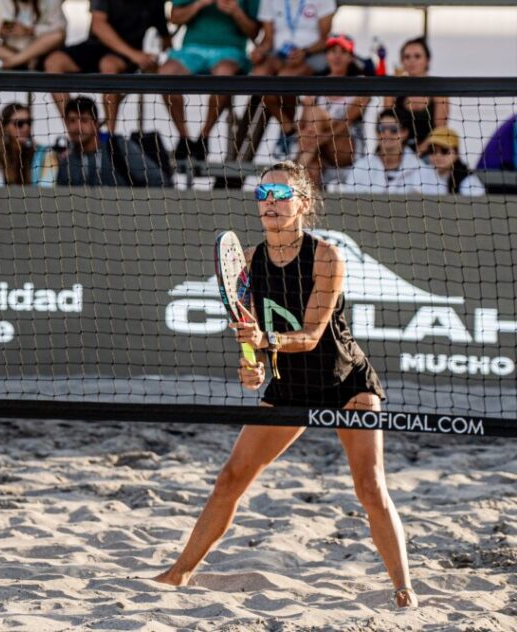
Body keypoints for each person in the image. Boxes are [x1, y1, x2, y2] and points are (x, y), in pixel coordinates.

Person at [153, 160, 417, 609]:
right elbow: (253, 337)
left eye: (280, 195)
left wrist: (265, 341)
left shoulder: (327, 257)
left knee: (370, 487)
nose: (269, 203)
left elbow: (311, 336)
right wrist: (253, 366)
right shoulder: (249, 261)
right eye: (263, 195)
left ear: (303, 202)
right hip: (290, 382)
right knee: (230, 478)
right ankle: (179, 573)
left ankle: (403, 588)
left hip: (345, 381)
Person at [43, 0, 170, 134]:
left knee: (109, 65)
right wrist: (135, 55)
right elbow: (98, 24)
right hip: (95, 47)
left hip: (126, 56)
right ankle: (74, 131)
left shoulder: (153, 3)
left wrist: (154, 60)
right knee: (53, 62)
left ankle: (109, 138)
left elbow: (165, 39)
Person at [159, 0, 261, 162]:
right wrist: (200, 4)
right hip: (191, 50)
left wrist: (235, 11)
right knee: (165, 76)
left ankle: (204, 137)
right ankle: (184, 138)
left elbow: (255, 32)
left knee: (224, 77)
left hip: (230, 51)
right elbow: (174, 18)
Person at [251, 0, 337, 159]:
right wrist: (259, 52)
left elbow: (325, 39)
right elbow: (268, 40)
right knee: (257, 78)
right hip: (279, 53)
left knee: (285, 80)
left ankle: (288, 134)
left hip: (312, 53)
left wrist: (304, 52)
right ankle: (288, 128)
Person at [295, 34, 368, 188]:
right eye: (333, 51)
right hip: (317, 148)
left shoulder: (360, 84)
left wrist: (318, 140)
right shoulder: (316, 84)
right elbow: (302, 125)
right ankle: (308, 201)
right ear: (326, 56)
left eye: (343, 52)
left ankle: (292, 173)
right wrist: (307, 107)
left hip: (344, 147)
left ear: (350, 57)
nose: (337, 56)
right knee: (312, 169)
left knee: (316, 114)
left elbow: (346, 122)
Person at [56, 96, 166, 187]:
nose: (78, 127)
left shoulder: (118, 149)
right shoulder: (67, 162)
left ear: (96, 124)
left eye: (84, 120)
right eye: (72, 121)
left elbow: (158, 180)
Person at [340, 108, 439, 195]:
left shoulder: (422, 170)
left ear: (404, 133)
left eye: (393, 130)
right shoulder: (361, 167)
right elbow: (350, 202)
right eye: (382, 129)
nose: (387, 134)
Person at [381, 38, 448, 157]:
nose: (412, 61)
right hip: (397, 153)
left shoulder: (438, 92)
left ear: (427, 60)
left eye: (417, 56)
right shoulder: (394, 90)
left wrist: (417, 153)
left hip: (429, 154)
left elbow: (439, 130)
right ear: (402, 61)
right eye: (407, 57)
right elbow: (386, 122)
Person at [0, 103, 58, 186]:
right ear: (5, 127)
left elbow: (48, 188)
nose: (26, 127)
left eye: (29, 123)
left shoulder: (44, 155)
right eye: (19, 123)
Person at [0, 0, 66, 70]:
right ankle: (21, 61)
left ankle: (10, 62)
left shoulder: (51, 2)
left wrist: (30, 31)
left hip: (36, 52)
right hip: (9, 51)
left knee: (57, 36)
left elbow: (60, 28)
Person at [426, 127, 486, 196]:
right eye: (432, 150)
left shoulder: (469, 182)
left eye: (444, 150)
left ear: (456, 153)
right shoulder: (424, 173)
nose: (438, 156)